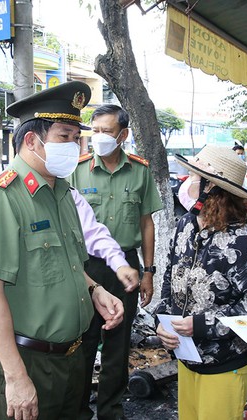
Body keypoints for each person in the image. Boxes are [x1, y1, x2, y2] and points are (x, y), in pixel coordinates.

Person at [0, 81, 125, 420]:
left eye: (76, 137)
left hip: (71, 358)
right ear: (31, 140)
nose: (75, 146)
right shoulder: (2, 198)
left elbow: (68, 264)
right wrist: (15, 378)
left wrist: (94, 289)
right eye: (64, 137)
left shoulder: (62, 195)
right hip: (27, 363)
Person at [154, 145, 247, 420]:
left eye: (194, 179)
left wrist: (202, 324)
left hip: (226, 363)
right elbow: (168, 281)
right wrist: (161, 323)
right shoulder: (185, 225)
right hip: (188, 357)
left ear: (212, 189)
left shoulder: (240, 242)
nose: (186, 183)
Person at [69, 104, 163, 420]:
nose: (99, 137)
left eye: (106, 131)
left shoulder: (139, 171)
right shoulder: (77, 169)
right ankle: (79, 409)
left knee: (117, 344)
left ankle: (111, 410)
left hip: (127, 266)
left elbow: (146, 222)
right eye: (94, 131)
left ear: (122, 135)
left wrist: (148, 272)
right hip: (86, 267)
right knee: (83, 340)